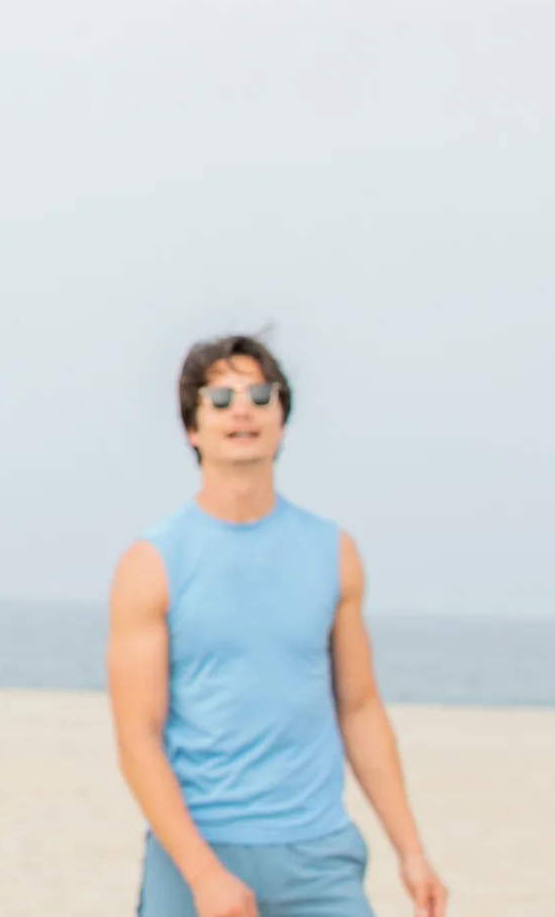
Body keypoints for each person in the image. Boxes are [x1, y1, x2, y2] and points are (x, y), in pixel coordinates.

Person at [107, 335, 448, 917]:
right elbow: (138, 737)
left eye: (261, 395)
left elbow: (359, 708)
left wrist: (411, 850)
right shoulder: (153, 563)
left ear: (282, 419)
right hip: (197, 853)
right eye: (221, 398)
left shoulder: (333, 551)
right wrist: (202, 873)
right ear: (192, 428)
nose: (244, 409)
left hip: (318, 857)